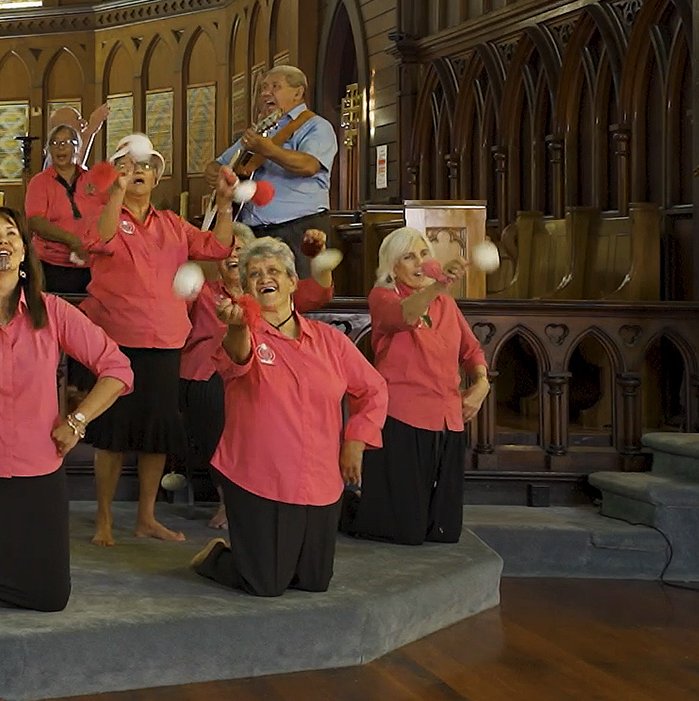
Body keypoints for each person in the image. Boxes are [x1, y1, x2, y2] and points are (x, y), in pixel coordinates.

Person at [0, 207, 132, 614]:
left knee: (50, 599)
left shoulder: (52, 311)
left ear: (23, 254)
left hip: (38, 465)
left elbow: (118, 369)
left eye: (12, 234)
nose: (2, 240)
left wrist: (77, 419)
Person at [190, 237, 387, 597]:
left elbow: (373, 389)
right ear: (245, 288)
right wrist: (235, 326)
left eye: (274, 271)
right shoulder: (241, 333)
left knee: (313, 582)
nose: (265, 278)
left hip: (321, 478)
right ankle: (217, 556)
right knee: (265, 584)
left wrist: (355, 441)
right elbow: (237, 356)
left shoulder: (330, 340)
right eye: (253, 274)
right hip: (260, 477)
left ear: (293, 281)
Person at [76, 137, 236, 546]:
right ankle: (105, 519)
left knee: (157, 432)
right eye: (128, 166)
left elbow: (217, 248)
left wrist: (224, 202)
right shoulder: (100, 213)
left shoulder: (172, 223)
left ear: (157, 176)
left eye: (145, 166)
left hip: (165, 342)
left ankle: (146, 517)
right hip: (117, 340)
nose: (138, 172)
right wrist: (115, 192)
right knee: (112, 432)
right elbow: (102, 239)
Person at [180, 225, 337, 529]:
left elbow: (318, 293)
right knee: (218, 399)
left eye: (240, 250)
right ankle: (230, 500)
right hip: (207, 373)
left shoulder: (270, 290)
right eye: (226, 250)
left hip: (264, 374)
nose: (233, 254)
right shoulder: (204, 291)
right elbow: (174, 307)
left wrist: (320, 261)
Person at [341, 226, 490, 545]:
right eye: (409, 257)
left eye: (424, 254)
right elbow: (407, 316)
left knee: (444, 531)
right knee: (402, 532)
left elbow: (472, 350)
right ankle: (343, 507)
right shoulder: (383, 296)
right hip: (401, 418)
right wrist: (439, 284)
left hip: (446, 419)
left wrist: (481, 384)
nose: (419, 262)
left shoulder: (446, 303)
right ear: (392, 267)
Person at [216, 65, 338, 276]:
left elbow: (309, 165)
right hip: (252, 233)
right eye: (263, 87)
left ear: (298, 92)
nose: (265, 93)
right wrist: (215, 173)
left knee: (300, 296)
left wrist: (269, 150)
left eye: (275, 86)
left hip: (298, 230)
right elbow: (221, 164)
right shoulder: (261, 130)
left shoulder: (316, 126)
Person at [23, 123, 104, 295]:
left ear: (77, 147)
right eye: (55, 143)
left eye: (66, 142)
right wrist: (71, 240)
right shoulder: (39, 182)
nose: (60, 148)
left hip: (92, 265)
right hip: (51, 265)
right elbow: (35, 221)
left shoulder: (93, 180)